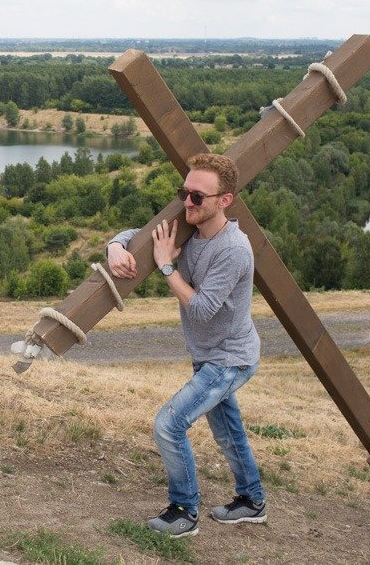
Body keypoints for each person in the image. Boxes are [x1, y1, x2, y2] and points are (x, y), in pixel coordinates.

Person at [107, 153, 265, 538]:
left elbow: (203, 311)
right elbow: (142, 235)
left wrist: (166, 268)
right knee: (228, 432)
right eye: (184, 193)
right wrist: (115, 245)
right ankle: (252, 501)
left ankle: (183, 511)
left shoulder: (233, 249)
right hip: (209, 355)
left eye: (198, 196)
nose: (187, 203)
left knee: (168, 425)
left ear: (224, 200)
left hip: (230, 359)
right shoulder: (192, 225)